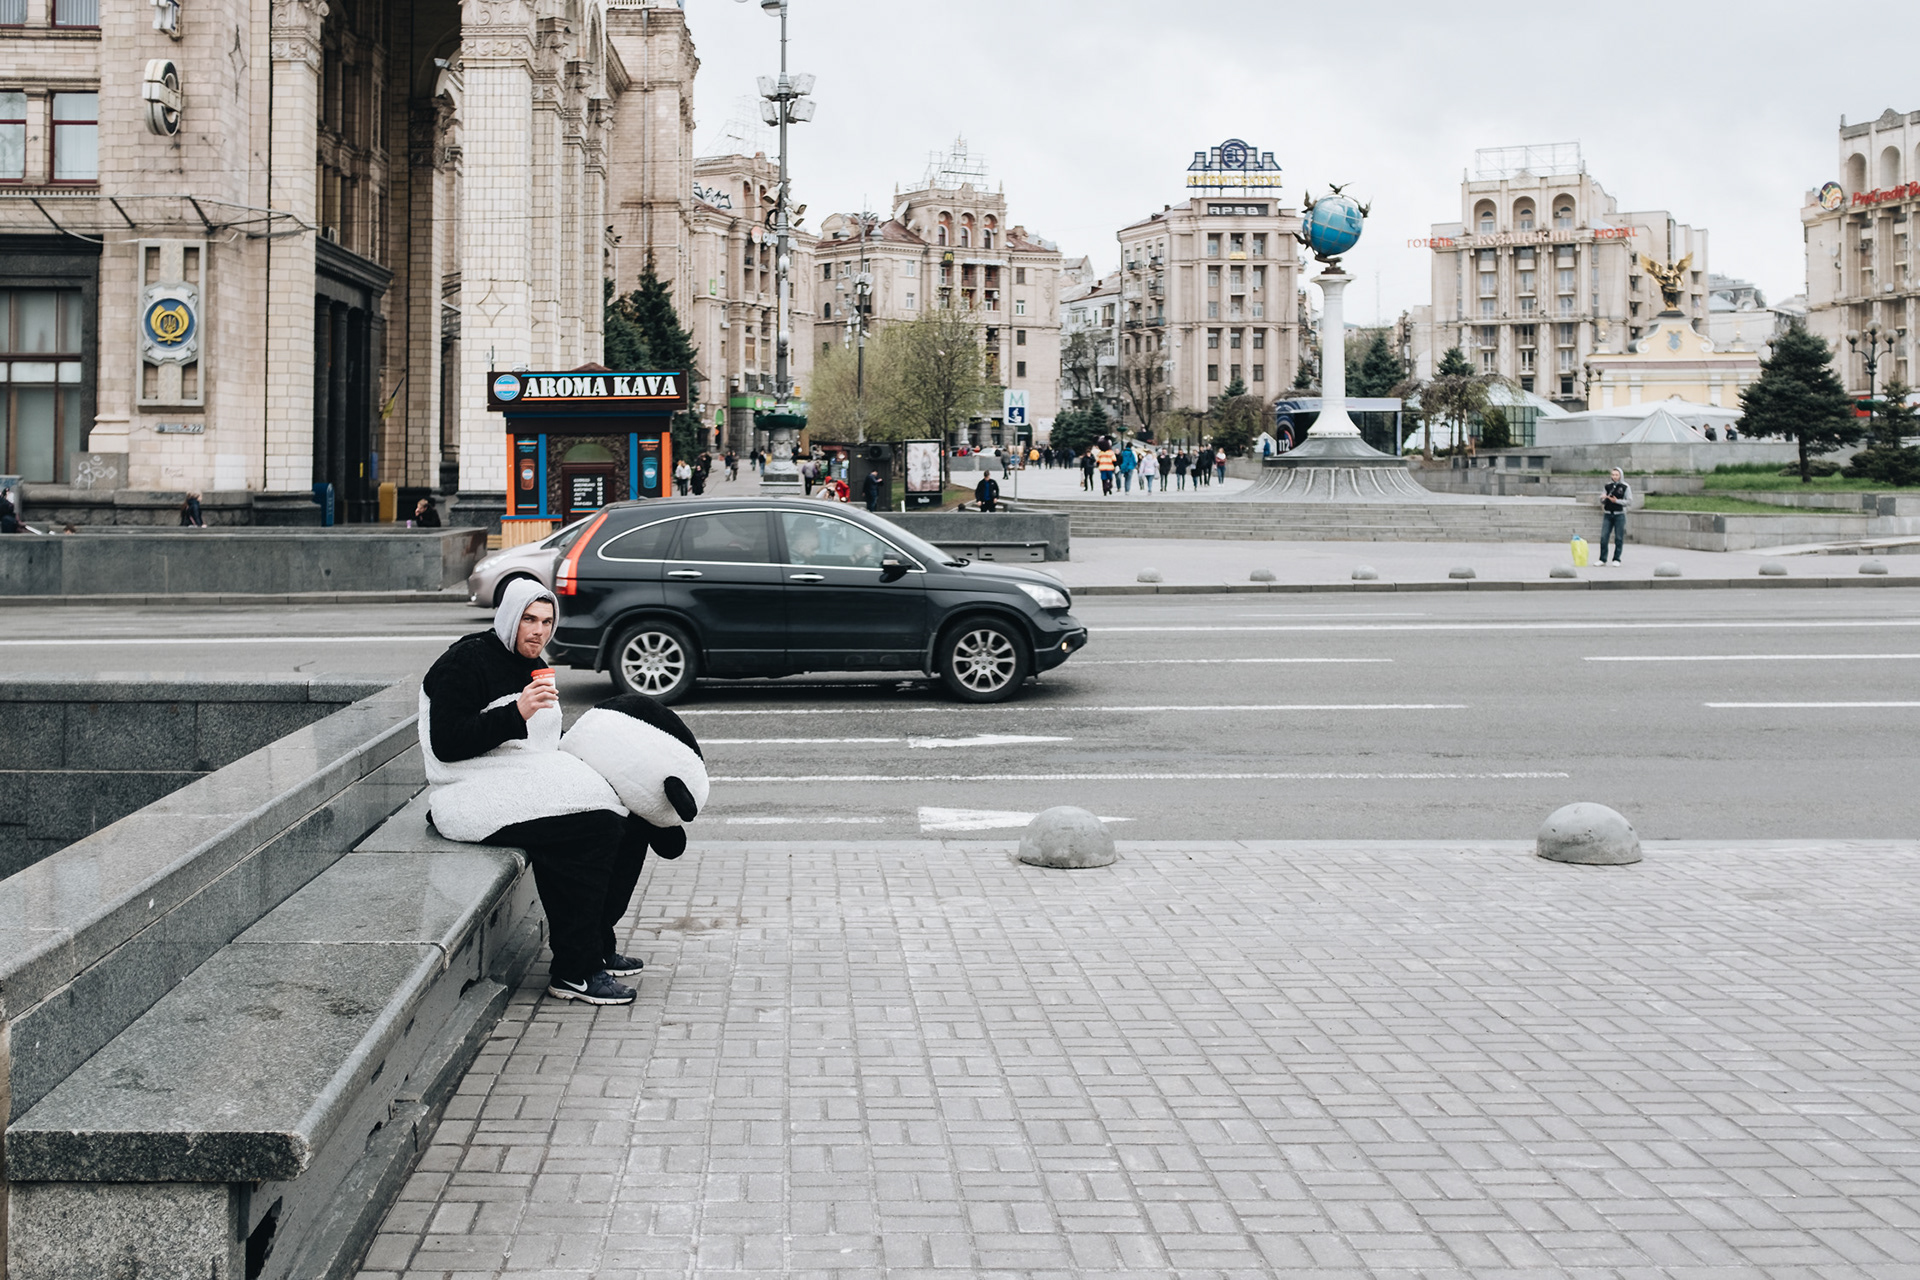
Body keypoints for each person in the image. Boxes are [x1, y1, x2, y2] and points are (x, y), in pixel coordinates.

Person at [420, 580, 684, 1006]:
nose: (538, 631)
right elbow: (447, 745)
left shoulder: (532, 662)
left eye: (546, 622)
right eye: (529, 620)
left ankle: (596, 943)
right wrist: (517, 711)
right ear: (509, 617)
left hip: (518, 783)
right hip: (469, 793)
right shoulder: (465, 662)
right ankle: (574, 972)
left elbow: (543, 741)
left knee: (630, 818)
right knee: (593, 828)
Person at [1598, 467, 1631, 565]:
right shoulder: (1608, 486)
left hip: (1619, 515)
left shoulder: (1625, 486)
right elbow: (1602, 498)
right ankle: (1602, 559)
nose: (1614, 477)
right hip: (1608, 514)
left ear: (1620, 475)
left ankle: (1617, 558)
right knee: (1604, 537)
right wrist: (1603, 498)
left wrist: (1616, 501)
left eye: (1616, 475)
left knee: (1619, 538)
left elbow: (1629, 501)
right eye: (1613, 475)